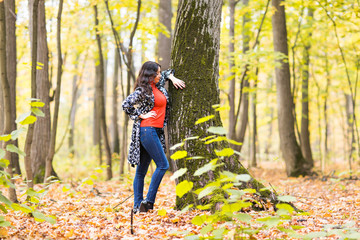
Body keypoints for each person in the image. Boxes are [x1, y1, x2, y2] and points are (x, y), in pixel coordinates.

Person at [122, 61, 185, 213]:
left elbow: (166, 73)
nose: (159, 75)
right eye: (156, 73)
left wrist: (172, 78)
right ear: (149, 75)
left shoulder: (158, 85)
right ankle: (148, 202)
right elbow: (126, 104)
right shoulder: (143, 90)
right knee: (163, 165)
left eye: (159, 73)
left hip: (155, 131)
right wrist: (140, 115)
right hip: (147, 130)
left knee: (141, 171)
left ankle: (138, 207)